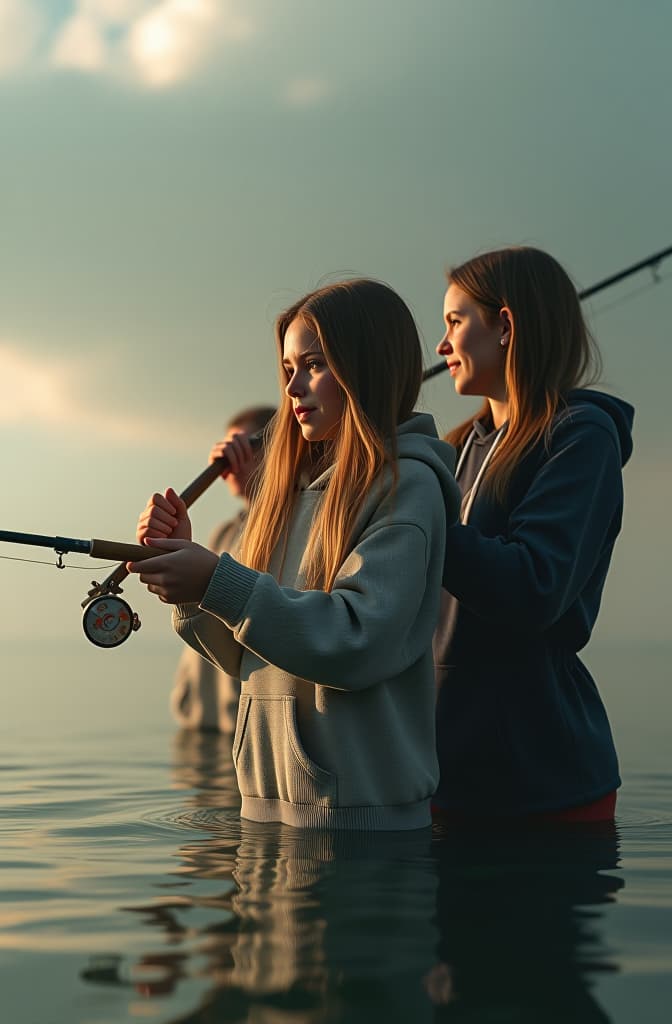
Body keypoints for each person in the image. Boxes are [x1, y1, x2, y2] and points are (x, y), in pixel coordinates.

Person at [129, 278, 461, 831]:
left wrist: (215, 582)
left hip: (363, 823)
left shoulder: (406, 486)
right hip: (265, 811)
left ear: (368, 366)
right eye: (288, 370)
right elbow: (244, 657)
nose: (294, 388)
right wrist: (189, 583)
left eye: (314, 364)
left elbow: (356, 639)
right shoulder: (289, 496)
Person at [432, 245, 634, 824]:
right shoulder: (451, 449)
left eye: (454, 321)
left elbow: (534, 585)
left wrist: (418, 521)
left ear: (505, 326)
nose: (441, 346)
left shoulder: (581, 438)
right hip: (439, 777)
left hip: (543, 786)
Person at [171, 405, 275, 734]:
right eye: (227, 447)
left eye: (244, 446)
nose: (228, 460)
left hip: (245, 729)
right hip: (202, 725)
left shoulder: (285, 527)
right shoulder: (224, 532)